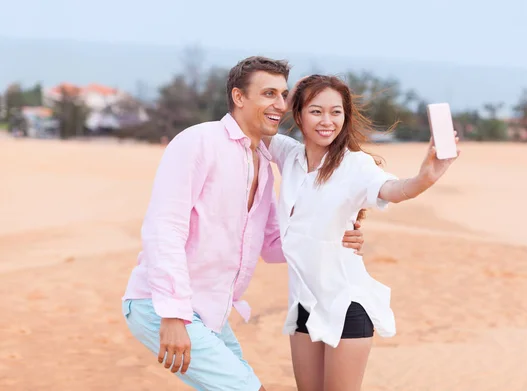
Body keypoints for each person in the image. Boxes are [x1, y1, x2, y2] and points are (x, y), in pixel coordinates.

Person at [121, 57, 366, 391]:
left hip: (210, 311)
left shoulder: (263, 163)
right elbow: (164, 229)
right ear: (239, 97)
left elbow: (271, 245)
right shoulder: (199, 142)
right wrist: (173, 315)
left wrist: (334, 233)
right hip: (162, 305)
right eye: (268, 94)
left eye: (282, 95)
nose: (279, 105)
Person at [264, 74, 460, 391]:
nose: (327, 121)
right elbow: (254, 126)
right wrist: (287, 98)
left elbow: (394, 189)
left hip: (346, 305)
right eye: (315, 111)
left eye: (336, 112)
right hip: (304, 304)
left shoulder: (355, 165)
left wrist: (426, 178)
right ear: (298, 115)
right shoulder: (289, 155)